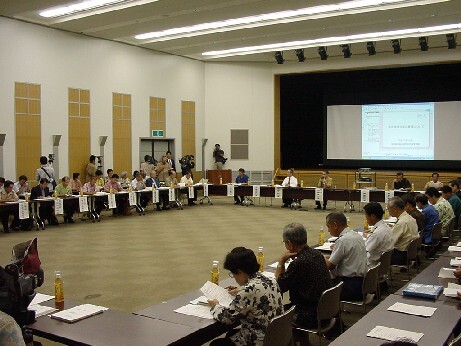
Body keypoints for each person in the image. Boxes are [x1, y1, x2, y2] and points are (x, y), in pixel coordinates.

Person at [208, 247, 283, 346]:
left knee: (216, 344)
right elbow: (257, 292)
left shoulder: (247, 291)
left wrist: (215, 306)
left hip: (259, 340)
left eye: (233, 274)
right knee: (230, 334)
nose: (234, 277)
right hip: (277, 336)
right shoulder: (271, 280)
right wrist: (241, 290)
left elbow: (228, 318)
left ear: (240, 272)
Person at [276, 222, 332, 328]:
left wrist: (281, 262)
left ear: (289, 243)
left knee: (275, 315)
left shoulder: (299, 263)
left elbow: (279, 286)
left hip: (309, 315)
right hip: (327, 310)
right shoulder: (317, 254)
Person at [324, 213, 367, 301]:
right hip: (362, 284)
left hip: (348, 287)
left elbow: (330, 266)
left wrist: (319, 256)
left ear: (335, 225)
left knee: (315, 286)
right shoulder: (356, 235)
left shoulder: (343, 240)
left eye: (328, 226)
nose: (328, 230)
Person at [387, 197, 419, 265]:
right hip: (410, 253)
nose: (388, 211)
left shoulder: (401, 223)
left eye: (388, 209)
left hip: (400, 256)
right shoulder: (410, 218)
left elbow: (389, 243)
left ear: (395, 209)